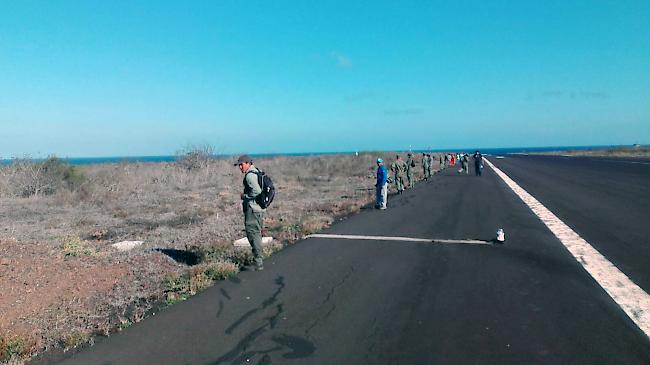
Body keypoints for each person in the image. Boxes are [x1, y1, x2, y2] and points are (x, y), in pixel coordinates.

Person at [235, 155, 265, 271]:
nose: (240, 167)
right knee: (256, 233)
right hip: (258, 208)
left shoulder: (250, 176)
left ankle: (259, 262)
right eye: (239, 165)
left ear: (248, 163)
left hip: (253, 209)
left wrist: (245, 196)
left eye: (241, 164)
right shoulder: (257, 171)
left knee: (253, 234)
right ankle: (259, 260)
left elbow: (257, 190)